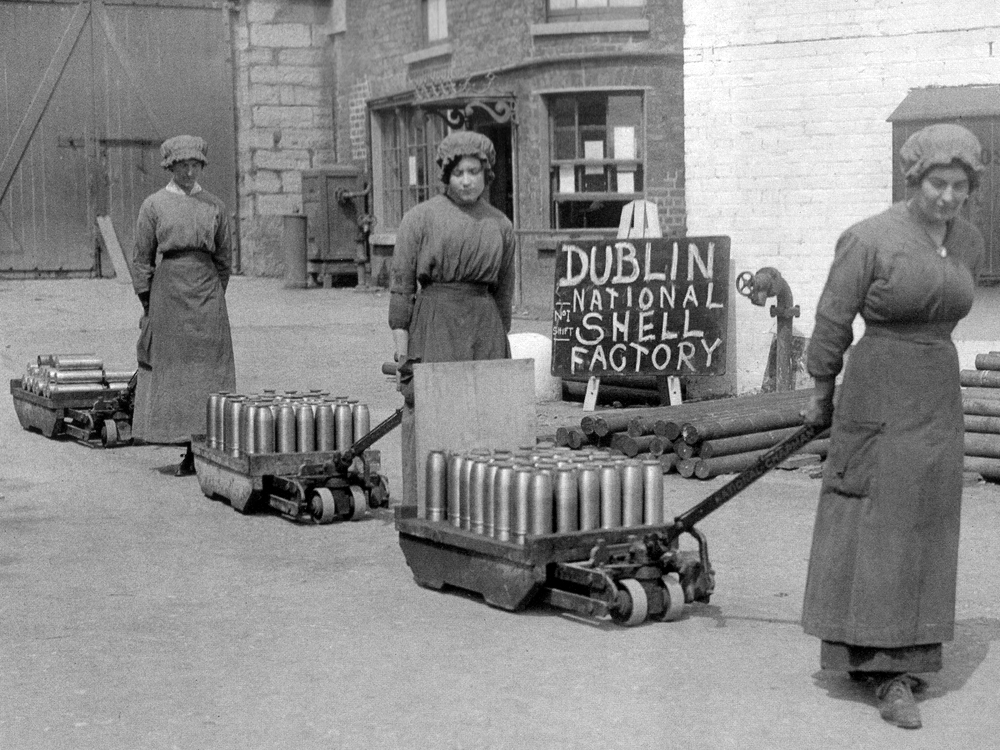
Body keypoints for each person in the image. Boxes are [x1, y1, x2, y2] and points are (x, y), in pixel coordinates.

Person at [801, 123, 985, 730]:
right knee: (879, 522)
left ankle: (912, 652)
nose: (948, 197)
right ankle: (882, 671)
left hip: (937, 390)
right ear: (915, 178)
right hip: (878, 388)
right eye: (938, 182)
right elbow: (833, 317)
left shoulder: (971, 242)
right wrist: (821, 390)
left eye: (961, 185)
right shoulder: (870, 239)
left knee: (927, 519)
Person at [131, 135, 236, 476]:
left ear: (201, 166)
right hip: (168, 295)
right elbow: (142, 259)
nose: (189, 172)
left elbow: (224, 259)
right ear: (171, 167)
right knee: (175, 371)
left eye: (195, 165)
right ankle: (181, 443)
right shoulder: (153, 206)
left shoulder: (215, 206)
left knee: (208, 369)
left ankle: (204, 448)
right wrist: (149, 302)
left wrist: (213, 296)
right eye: (182, 166)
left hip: (207, 296)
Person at [388, 130, 516, 369]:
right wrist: (403, 357)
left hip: (485, 333)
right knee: (438, 399)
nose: (466, 181)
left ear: (486, 174)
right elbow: (401, 292)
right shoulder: (419, 219)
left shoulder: (501, 225)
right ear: (447, 175)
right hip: (435, 328)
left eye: (474, 172)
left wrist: (499, 342)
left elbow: (503, 296)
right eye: (458, 173)